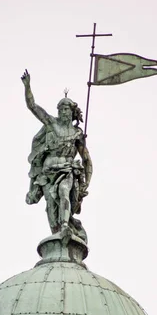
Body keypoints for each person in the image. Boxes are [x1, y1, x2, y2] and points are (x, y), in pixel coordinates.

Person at [21, 70, 93, 243]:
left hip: (67, 171)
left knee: (63, 191)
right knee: (51, 209)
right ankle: (60, 230)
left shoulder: (77, 134)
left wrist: (85, 184)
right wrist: (27, 86)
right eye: (60, 109)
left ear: (72, 111)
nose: (62, 111)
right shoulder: (51, 124)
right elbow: (33, 106)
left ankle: (66, 226)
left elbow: (87, 161)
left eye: (66, 108)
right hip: (47, 173)